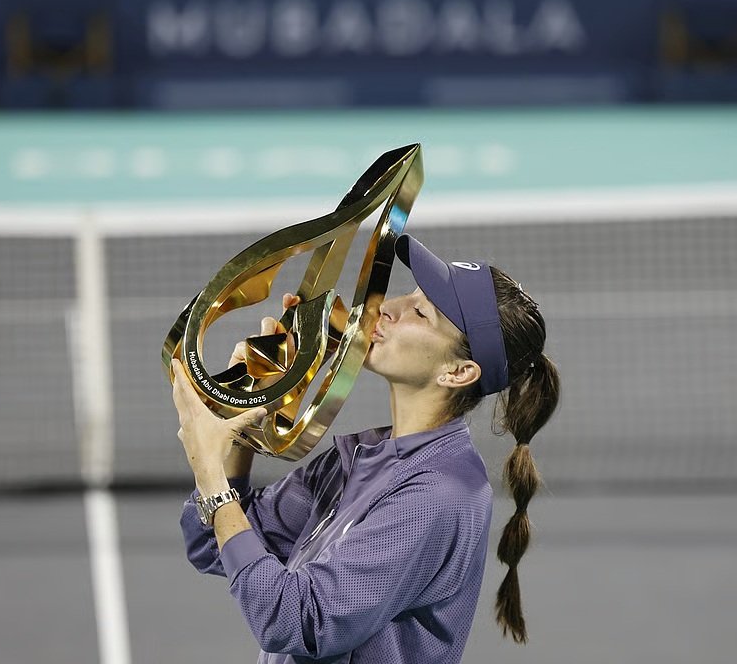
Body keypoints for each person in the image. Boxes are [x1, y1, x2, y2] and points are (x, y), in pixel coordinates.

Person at [171, 234, 560, 663]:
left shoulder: (437, 496)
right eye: (409, 294)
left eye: (420, 312)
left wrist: (211, 475)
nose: (387, 307)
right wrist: (254, 405)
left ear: (458, 372)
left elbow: (295, 621)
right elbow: (213, 542)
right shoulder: (361, 456)